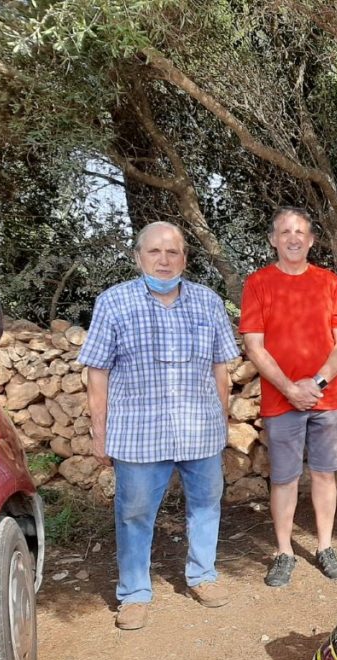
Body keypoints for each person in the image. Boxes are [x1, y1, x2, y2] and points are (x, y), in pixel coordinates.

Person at [80, 222, 239, 630]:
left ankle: (202, 575)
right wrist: (100, 432)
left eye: (173, 252)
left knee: (205, 506)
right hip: (138, 434)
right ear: (138, 256)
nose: (164, 260)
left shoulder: (207, 302)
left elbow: (221, 369)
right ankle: (134, 593)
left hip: (199, 430)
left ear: (185, 258)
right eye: (155, 252)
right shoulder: (113, 303)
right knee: (134, 514)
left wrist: (222, 422)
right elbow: (97, 373)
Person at [239, 207, 337, 588]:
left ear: (310, 240)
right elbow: (254, 346)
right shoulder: (258, 283)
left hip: (327, 400)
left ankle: (325, 547)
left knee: (325, 474)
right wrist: (290, 388)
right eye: (285, 231)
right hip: (281, 401)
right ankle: (284, 552)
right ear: (273, 239)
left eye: (300, 232)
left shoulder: (328, 283)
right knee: (285, 478)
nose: (293, 238)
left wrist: (317, 385)